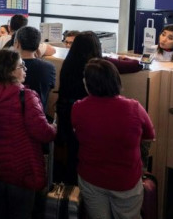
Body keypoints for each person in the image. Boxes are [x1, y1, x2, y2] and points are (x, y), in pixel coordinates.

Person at [72, 59, 155, 219]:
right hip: (126, 180)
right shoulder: (133, 107)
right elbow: (149, 135)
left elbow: (78, 135)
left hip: (91, 177)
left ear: (88, 84)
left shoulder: (79, 107)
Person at [0, 49, 56, 219]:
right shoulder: (26, 97)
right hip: (20, 167)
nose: (25, 69)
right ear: (10, 71)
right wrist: (54, 128)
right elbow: (42, 132)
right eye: (21, 66)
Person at [57, 31, 140, 183]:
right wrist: (125, 58)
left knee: (73, 154)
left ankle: (71, 192)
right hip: (91, 117)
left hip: (67, 115)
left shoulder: (68, 63)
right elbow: (137, 65)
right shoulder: (99, 65)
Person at [14, 26, 56, 113]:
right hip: (39, 114)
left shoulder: (8, 67)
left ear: (17, 43)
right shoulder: (49, 67)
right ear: (38, 45)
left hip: (14, 116)